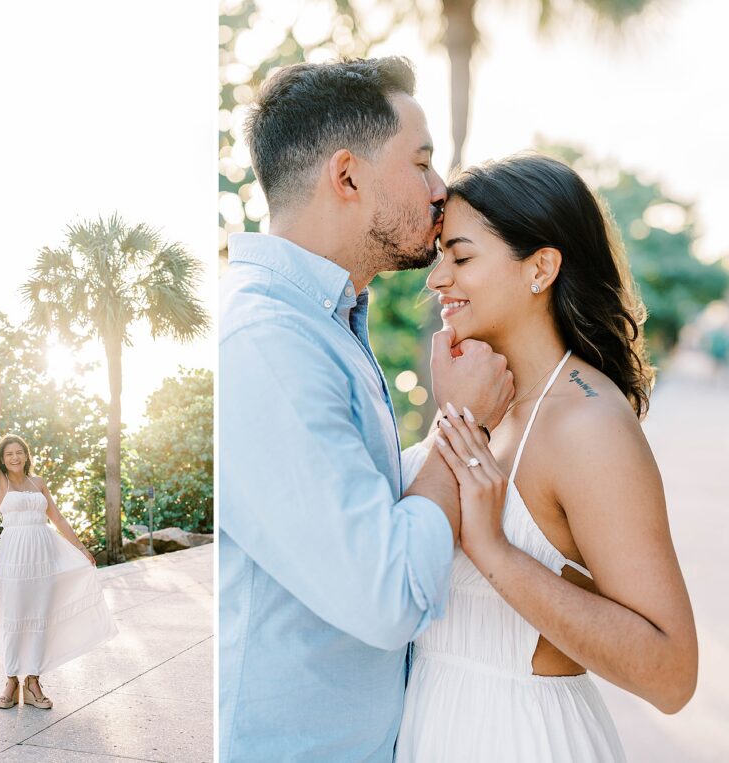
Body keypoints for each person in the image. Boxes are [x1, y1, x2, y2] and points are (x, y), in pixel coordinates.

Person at [219, 57, 514, 760]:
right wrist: (461, 426)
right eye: (421, 162)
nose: (442, 189)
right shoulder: (267, 342)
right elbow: (390, 594)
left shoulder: (325, 324)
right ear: (348, 176)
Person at [394, 153, 698, 761]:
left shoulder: (587, 425)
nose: (436, 280)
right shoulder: (479, 396)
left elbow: (671, 674)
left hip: (520, 739)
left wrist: (495, 552)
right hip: (434, 728)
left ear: (541, 267)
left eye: (461, 256)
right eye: (438, 258)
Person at [0, 385, 117, 710]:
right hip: (15, 555)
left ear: (26, 455)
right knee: (13, 616)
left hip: (42, 556)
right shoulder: (0, 483)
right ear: (1, 459)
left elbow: (56, 517)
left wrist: (82, 549)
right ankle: (11, 679)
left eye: (19, 452)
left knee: (39, 617)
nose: (14, 457)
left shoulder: (38, 483)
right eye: (8, 453)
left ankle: (33, 682)